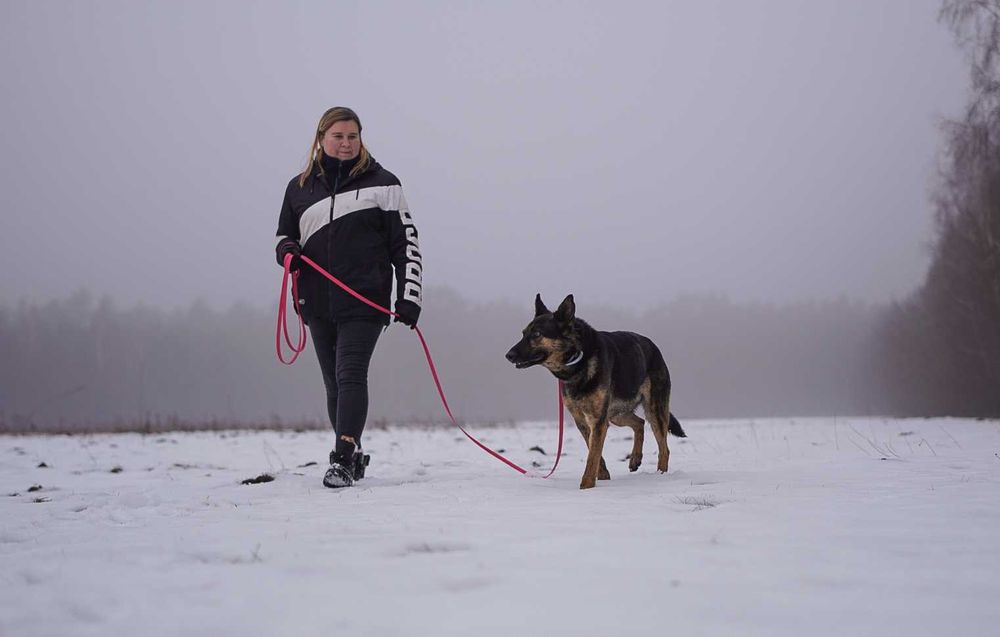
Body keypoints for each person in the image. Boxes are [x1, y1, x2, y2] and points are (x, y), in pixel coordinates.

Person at [275, 106, 422, 488]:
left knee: (351, 373)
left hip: (365, 301)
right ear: (321, 138)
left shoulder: (385, 184)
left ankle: (340, 459)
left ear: (361, 139)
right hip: (316, 302)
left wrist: (410, 297)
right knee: (333, 385)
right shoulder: (299, 188)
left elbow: (406, 245)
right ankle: (353, 451)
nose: (345, 143)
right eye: (338, 136)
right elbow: (282, 237)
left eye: (352, 136)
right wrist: (288, 251)